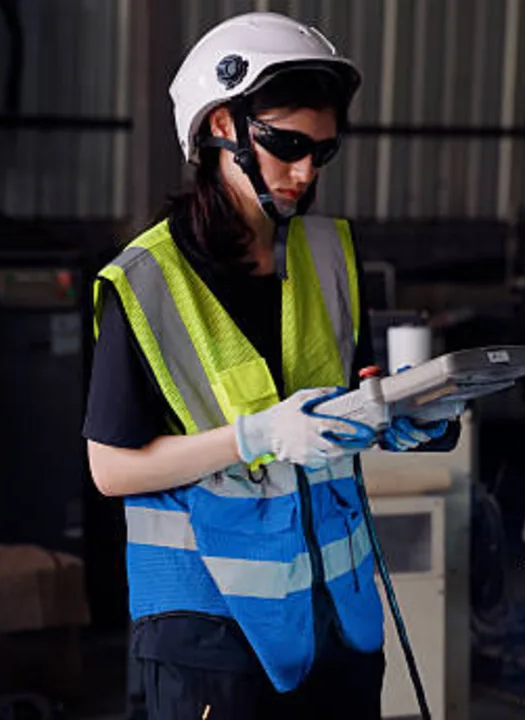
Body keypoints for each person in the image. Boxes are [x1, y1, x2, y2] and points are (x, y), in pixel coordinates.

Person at [82, 12, 462, 718]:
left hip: (337, 619)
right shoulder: (147, 280)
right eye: (287, 146)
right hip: (208, 629)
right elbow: (110, 469)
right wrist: (254, 437)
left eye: (322, 151)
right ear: (221, 126)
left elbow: (345, 402)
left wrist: (398, 419)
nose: (305, 172)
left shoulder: (329, 254)